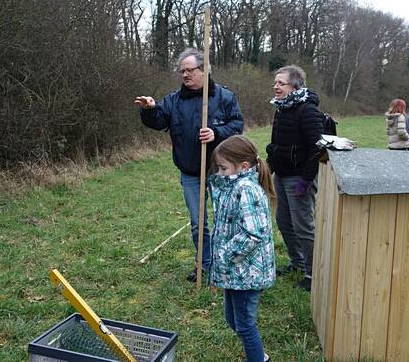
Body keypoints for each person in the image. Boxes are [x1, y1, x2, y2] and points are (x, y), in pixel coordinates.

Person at [135, 48, 244, 282]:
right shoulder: (174, 100)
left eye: (189, 70)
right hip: (190, 172)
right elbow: (158, 120)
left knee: (226, 219)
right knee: (198, 223)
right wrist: (149, 110)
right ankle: (204, 265)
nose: (185, 75)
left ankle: (227, 264)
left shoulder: (224, 97)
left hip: (221, 172)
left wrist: (216, 133)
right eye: (181, 71)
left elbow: (237, 126)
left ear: (203, 70)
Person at [209, 135, 275, 362]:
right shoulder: (232, 186)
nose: (219, 173)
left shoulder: (246, 189)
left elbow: (253, 234)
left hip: (247, 273)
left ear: (243, 166)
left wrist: (223, 255)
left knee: (245, 325)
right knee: (232, 320)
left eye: (222, 168)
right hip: (234, 272)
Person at [266, 65, 324, 292]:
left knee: (303, 227)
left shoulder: (307, 110)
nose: (276, 87)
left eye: (281, 83)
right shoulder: (281, 108)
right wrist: (271, 164)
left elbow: (317, 148)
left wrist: (306, 180)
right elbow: (276, 143)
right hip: (281, 175)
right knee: (284, 222)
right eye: (275, 83)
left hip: (299, 178)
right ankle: (297, 263)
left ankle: (312, 273)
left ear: (295, 86)